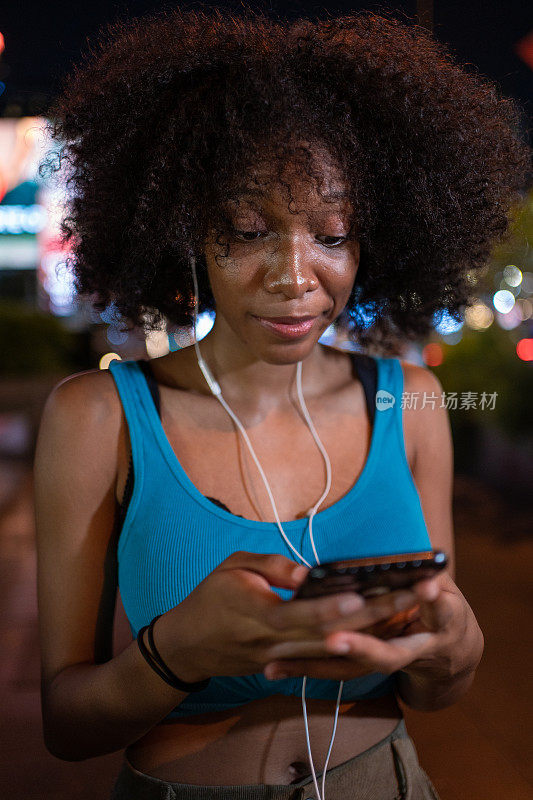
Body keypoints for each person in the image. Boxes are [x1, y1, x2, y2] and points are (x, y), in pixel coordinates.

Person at [34, 7, 530, 800]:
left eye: (331, 234)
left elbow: (431, 694)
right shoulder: (99, 417)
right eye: (246, 229)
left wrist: (455, 650)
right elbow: (66, 727)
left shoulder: (412, 403)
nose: (296, 276)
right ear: (186, 229)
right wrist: (176, 653)